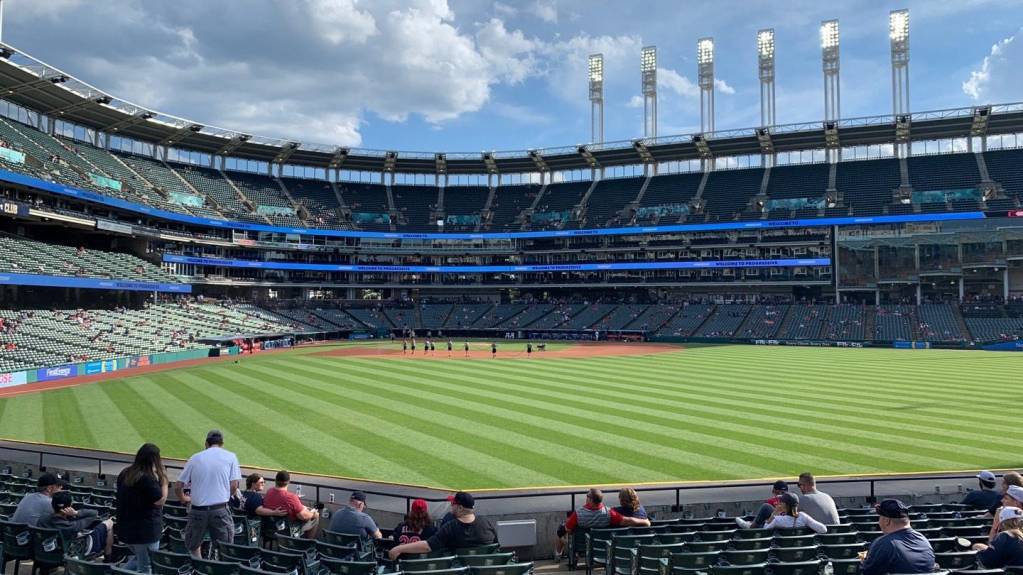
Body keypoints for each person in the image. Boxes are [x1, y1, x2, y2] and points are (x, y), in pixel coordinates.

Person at [174, 430, 242, 557]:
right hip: (219, 509)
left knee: (193, 546)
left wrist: (183, 498)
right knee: (225, 548)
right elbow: (234, 485)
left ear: (206, 443)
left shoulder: (195, 458)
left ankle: (199, 567)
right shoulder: (231, 456)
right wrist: (224, 497)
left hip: (198, 510)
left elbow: (178, 486)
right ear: (222, 444)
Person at [389, 492, 496, 559]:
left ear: (460, 508)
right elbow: (495, 547)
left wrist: (400, 548)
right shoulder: (487, 523)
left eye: (453, 504)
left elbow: (428, 546)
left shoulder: (450, 527)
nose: (451, 506)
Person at [116, 443, 169, 573]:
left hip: (126, 529)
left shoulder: (125, 473)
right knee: (146, 566)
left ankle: (115, 572)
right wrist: (165, 482)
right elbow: (160, 500)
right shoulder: (147, 478)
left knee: (138, 560)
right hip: (144, 532)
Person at [555, 488, 651, 559]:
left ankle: (558, 554)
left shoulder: (578, 513)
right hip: (607, 545)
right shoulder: (610, 513)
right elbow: (628, 520)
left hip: (584, 545)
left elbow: (568, 529)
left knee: (562, 530)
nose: (586, 497)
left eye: (587, 496)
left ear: (591, 500)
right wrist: (645, 522)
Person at [860, 499, 935, 575]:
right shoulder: (924, 540)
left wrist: (863, 558)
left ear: (887, 521)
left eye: (879, 517)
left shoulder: (885, 543)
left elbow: (867, 572)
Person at [40, 491, 114, 559]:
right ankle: (108, 558)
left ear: (53, 505)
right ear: (70, 506)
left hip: (47, 553)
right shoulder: (71, 526)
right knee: (109, 523)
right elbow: (94, 513)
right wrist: (76, 513)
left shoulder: (42, 519)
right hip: (76, 549)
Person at [231, 473, 288, 543]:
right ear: (253, 484)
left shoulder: (243, 494)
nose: (263, 484)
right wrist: (274, 512)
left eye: (264, 482)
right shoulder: (256, 496)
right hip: (253, 527)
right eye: (261, 482)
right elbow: (259, 510)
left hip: (242, 527)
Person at [262, 470, 320, 539]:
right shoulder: (291, 497)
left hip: (270, 528)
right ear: (289, 482)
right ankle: (309, 546)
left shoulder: (269, 491)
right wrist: (314, 514)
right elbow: (303, 517)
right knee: (315, 518)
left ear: (276, 480)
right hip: (287, 531)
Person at [760, 492, 827, 533]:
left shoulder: (778, 520)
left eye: (781, 502)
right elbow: (823, 530)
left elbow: (765, 530)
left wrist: (774, 514)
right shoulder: (803, 517)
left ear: (784, 505)